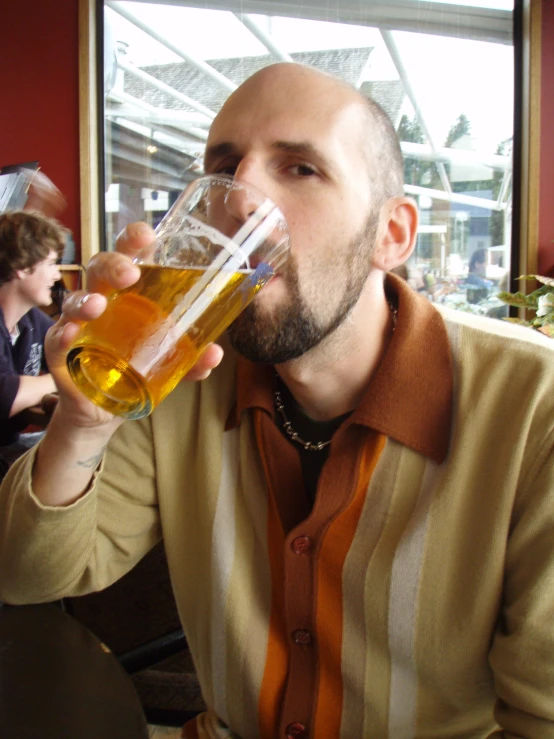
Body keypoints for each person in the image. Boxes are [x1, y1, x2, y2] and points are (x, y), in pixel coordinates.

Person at [0, 64, 553, 739]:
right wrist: (82, 423)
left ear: (393, 234)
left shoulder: (535, 407)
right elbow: (27, 577)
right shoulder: (179, 370)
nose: (242, 197)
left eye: (300, 169)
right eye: (224, 167)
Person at [0, 211, 65, 471]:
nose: (58, 275)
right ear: (21, 267)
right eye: (51, 263)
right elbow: (6, 397)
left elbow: (75, 359)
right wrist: (62, 377)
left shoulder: (32, 321)